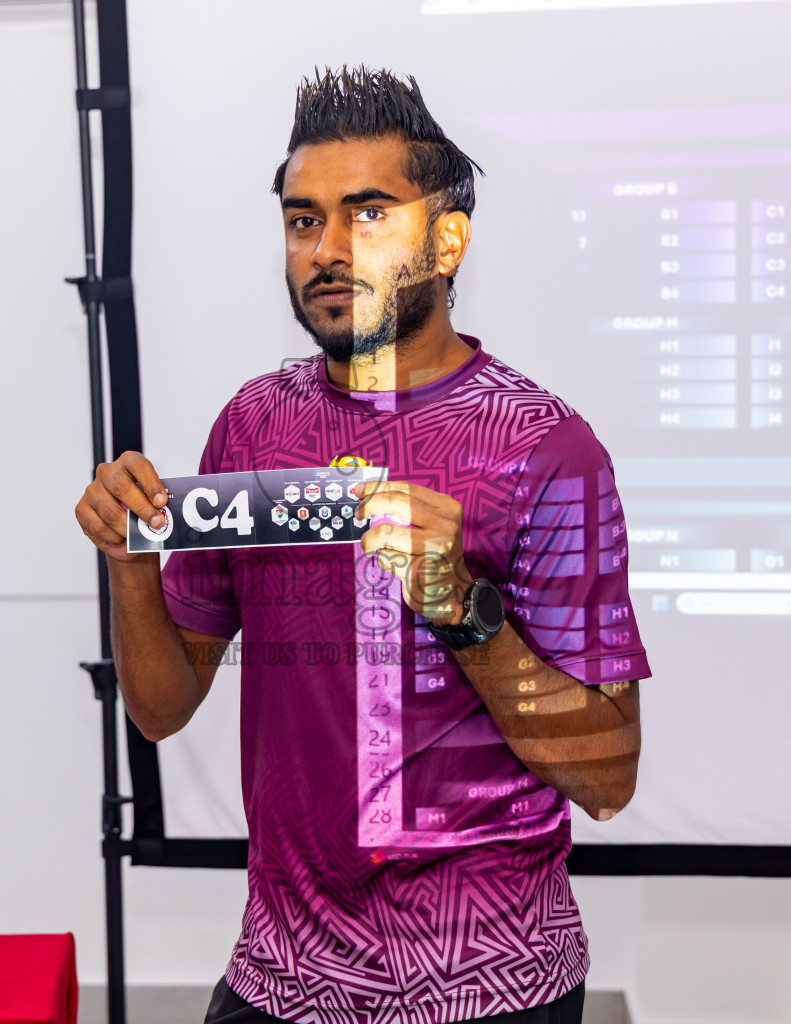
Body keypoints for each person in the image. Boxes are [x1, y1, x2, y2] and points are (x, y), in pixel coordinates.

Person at [74, 66, 649, 1024]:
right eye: (304, 220)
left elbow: (608, 776)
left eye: (369, 214)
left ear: (448, 239)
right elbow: (162, 710)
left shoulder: (546, 449)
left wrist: (463, 610)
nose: (328, 249)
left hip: (489, 983)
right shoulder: (252, 426)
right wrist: (130, 565)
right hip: (280, 973)